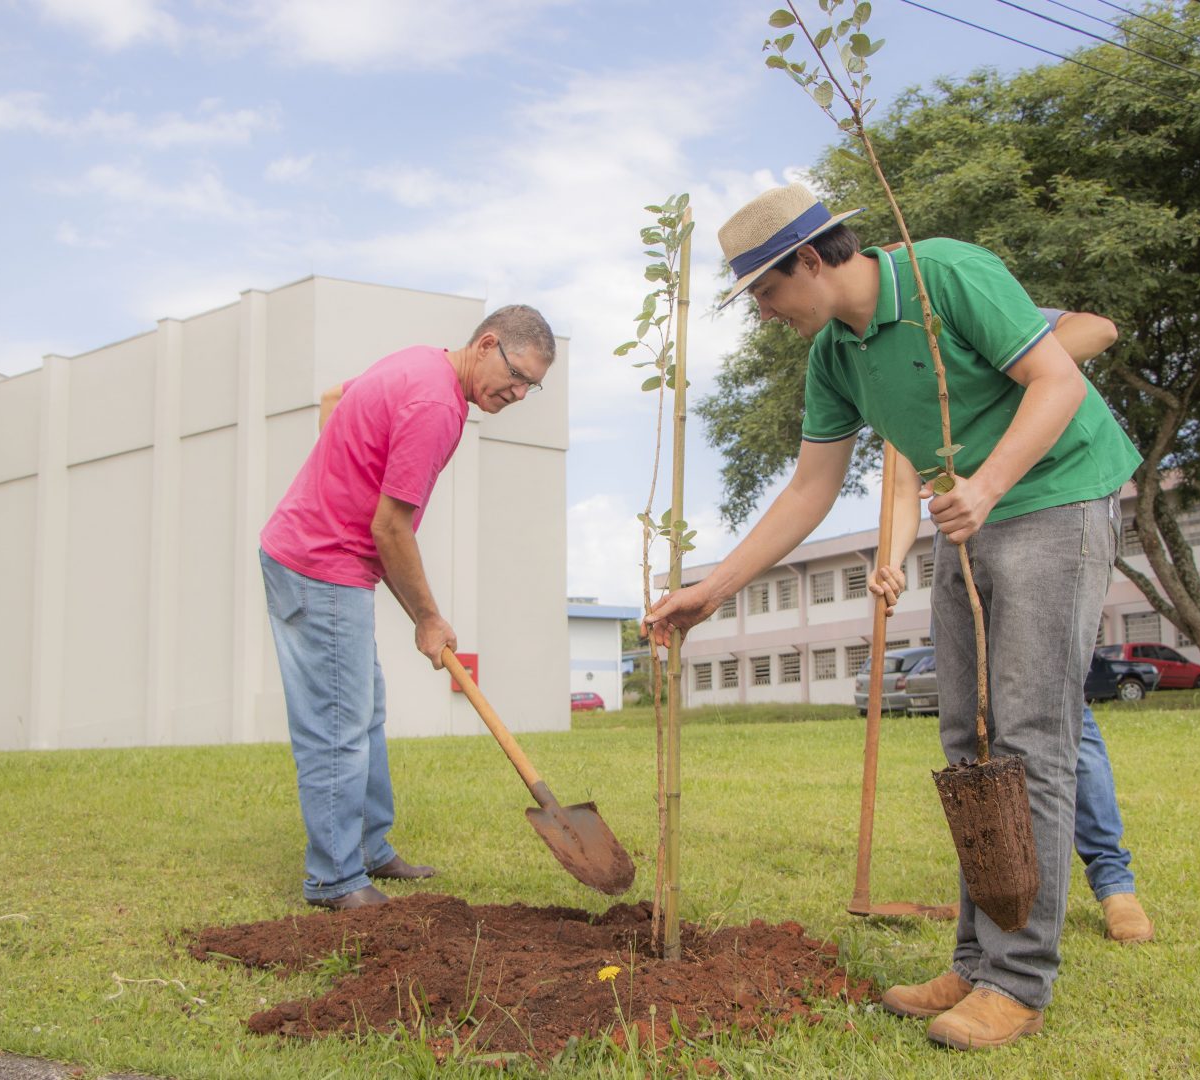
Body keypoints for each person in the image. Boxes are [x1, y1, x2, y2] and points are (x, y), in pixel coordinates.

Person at [646, 184, 1142, 1050]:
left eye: (764, 290)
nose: (762, 312)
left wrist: (986, 485)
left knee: (1028, 739)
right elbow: (810, 488)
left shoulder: (947, 274)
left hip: (1057, 497)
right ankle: (976, 960)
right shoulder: (834, 357)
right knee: (967, 742)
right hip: (971, 517)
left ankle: (1018, 983)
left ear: (810, 259)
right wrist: (712, 589)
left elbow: (1056, 380)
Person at [259, 305, 556, 911]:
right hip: (321, 566)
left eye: (534, 386)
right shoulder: (439, 408)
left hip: (324, 556)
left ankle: (369, 849)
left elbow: (336, 396)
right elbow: (392, 528)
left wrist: (337, 478)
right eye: (517, 375)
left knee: (361, 714)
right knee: (337, 726)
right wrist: (428, 617)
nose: (521, 394)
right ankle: (335, 880)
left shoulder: (420, 364)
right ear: (487, 344)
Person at [1040, 308, 1154, 946]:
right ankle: (1016, 876)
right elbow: (900, 469)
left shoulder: (960, 306)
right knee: (992, 715)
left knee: (1061, 705)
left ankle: (1114, 883)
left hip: (1067, 498)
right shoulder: (894, 369)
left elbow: (1096, 330)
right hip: (988, 519)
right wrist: (888, 565)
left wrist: (1011, 380)